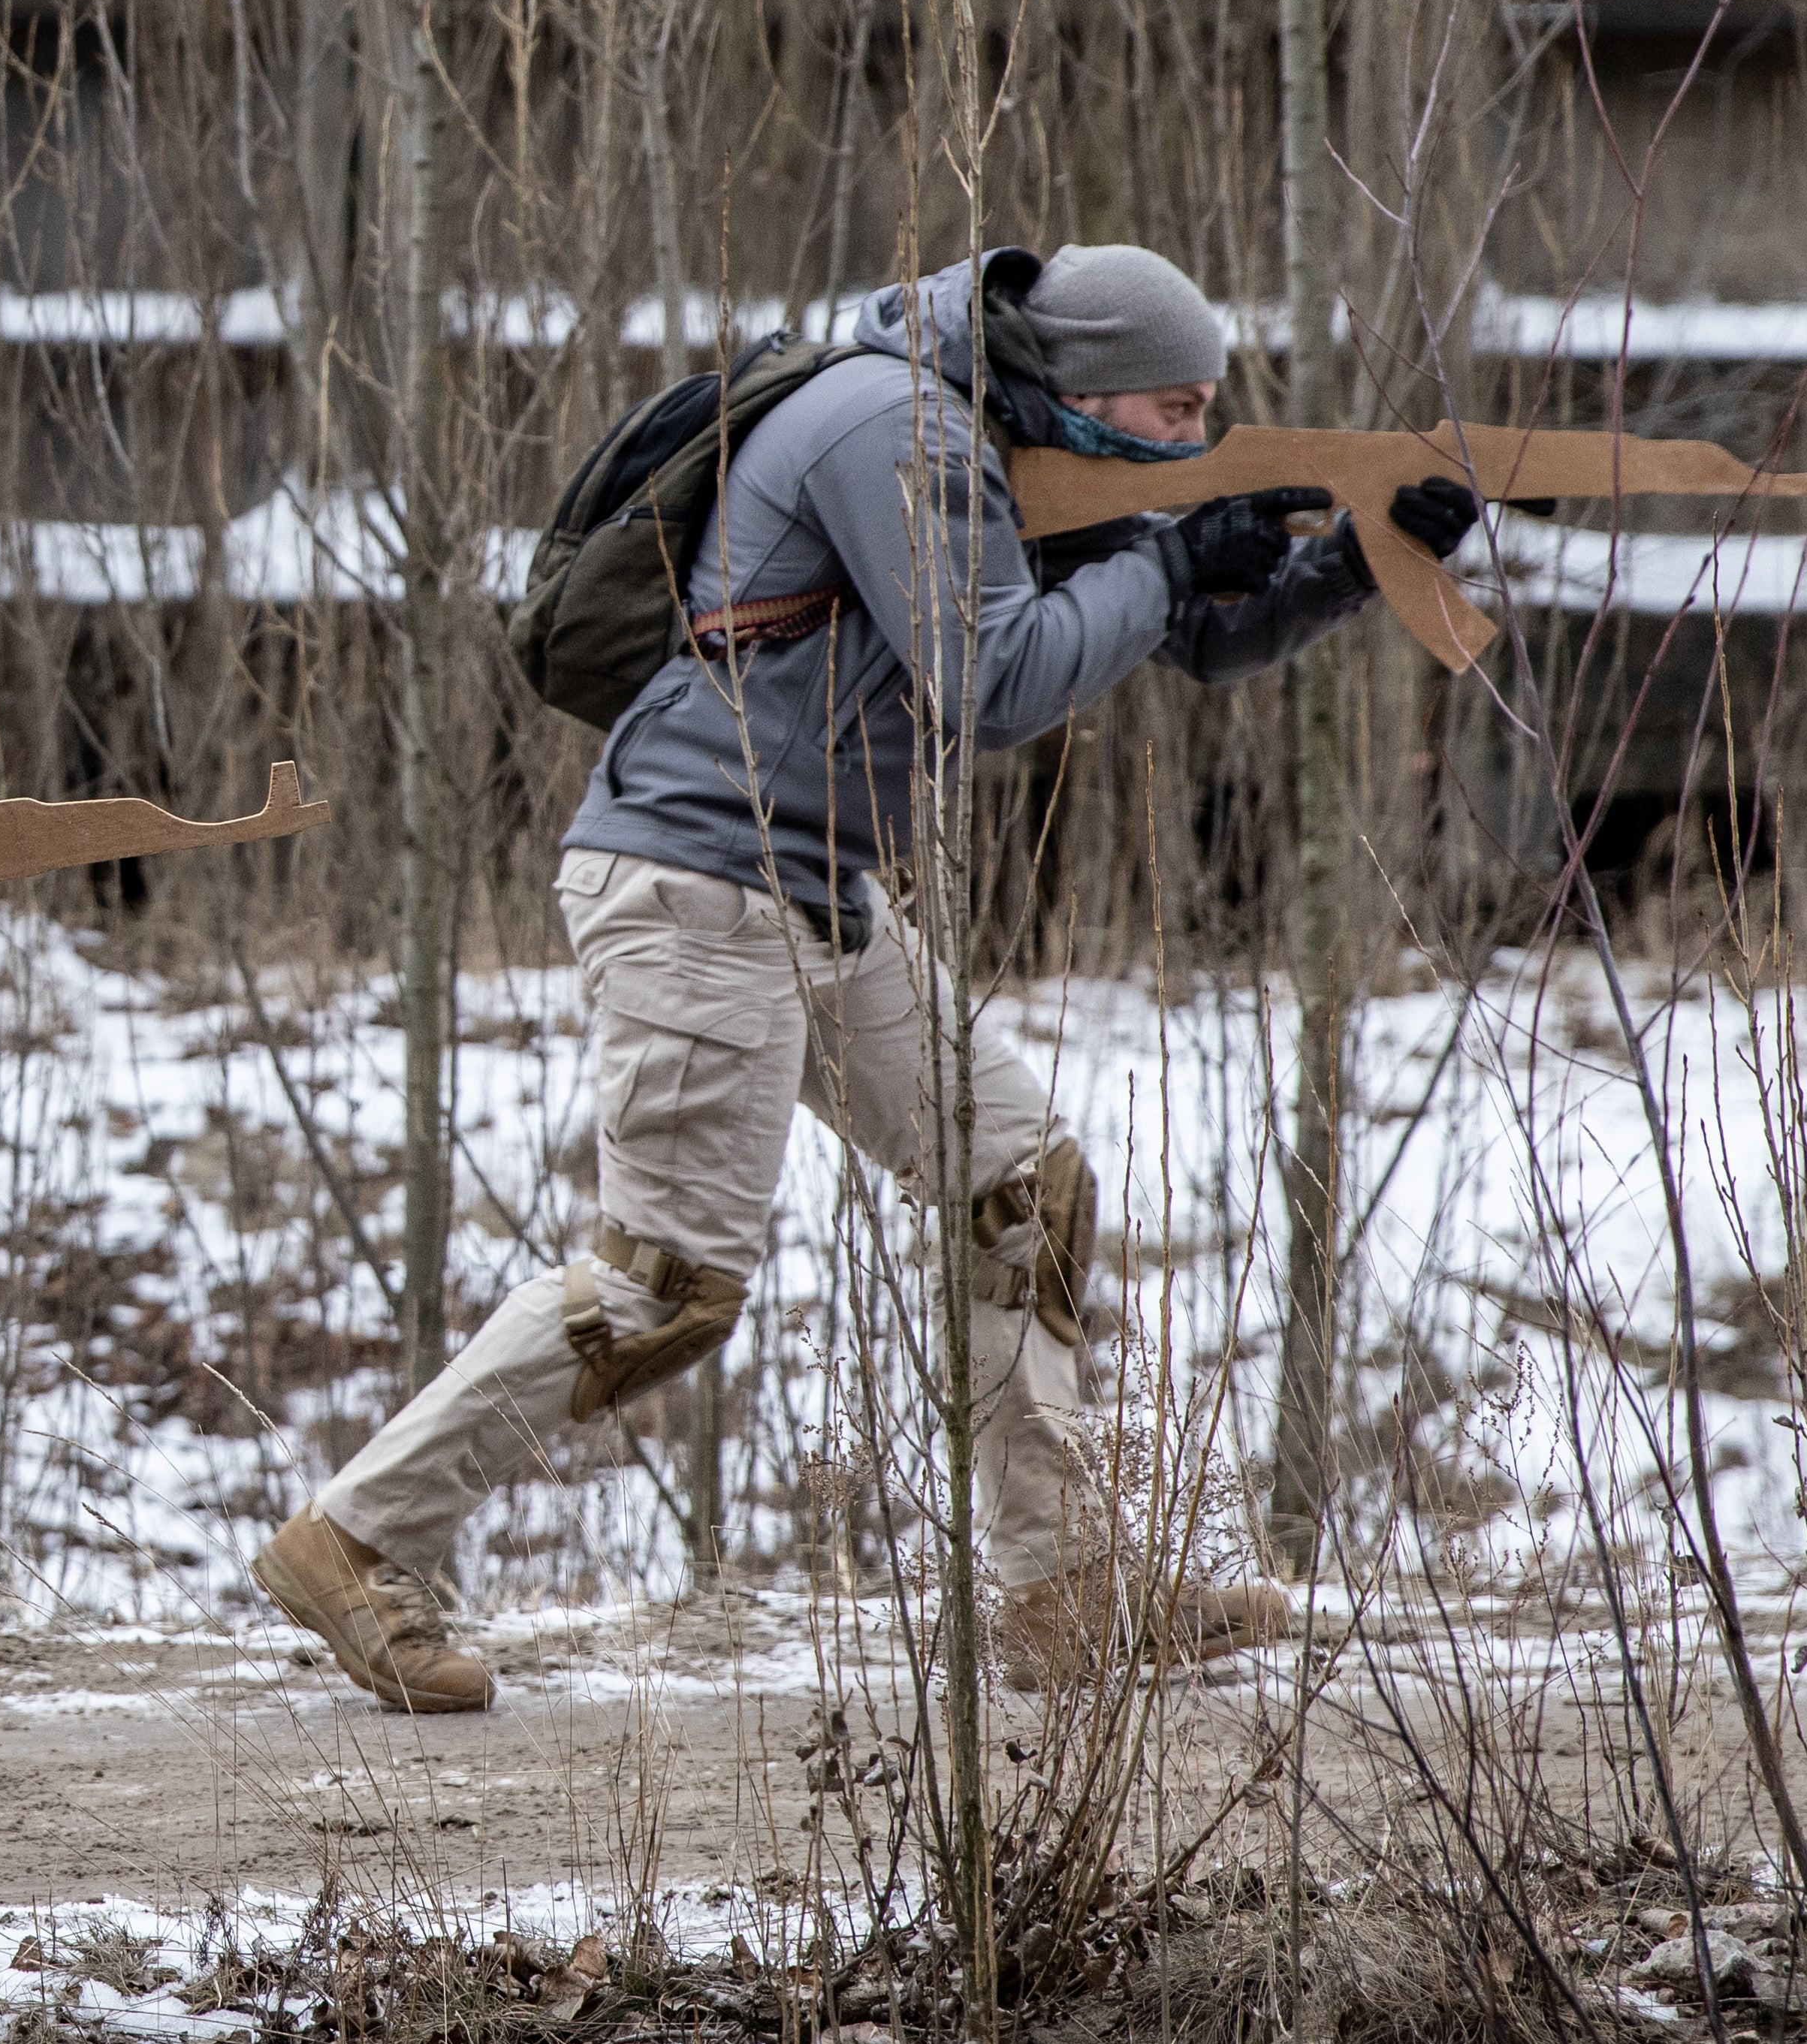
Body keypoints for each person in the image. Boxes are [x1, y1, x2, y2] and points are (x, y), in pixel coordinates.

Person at [250, 243, 1483, 1709]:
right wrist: (1159, 556)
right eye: (1175, 411)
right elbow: (994, 679)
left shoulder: (999, 441)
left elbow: (1195, 640)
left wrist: (1352, 562)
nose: (1194, 440)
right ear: (1086, 389)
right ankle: (354, 1539)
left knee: (1019, 1184)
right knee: (666, 1290)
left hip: (808, 887)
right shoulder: (898, 430)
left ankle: (1058, 1591)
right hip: (698, 886)